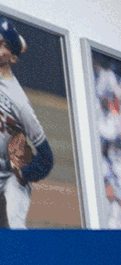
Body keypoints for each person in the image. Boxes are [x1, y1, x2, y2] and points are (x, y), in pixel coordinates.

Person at [0, 19, 53, 231]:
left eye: (2, 44)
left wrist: (25, 173)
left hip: (11, 180)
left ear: (12, 58)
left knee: (15, 229)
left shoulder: (20, 103)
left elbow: (47, 157)